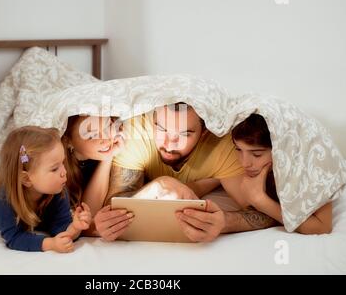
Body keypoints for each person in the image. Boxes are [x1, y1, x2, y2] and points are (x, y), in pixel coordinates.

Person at [94, 103, 278, 242]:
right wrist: (161, 184)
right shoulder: (136, 131)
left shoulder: (222, 144)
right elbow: (117, 202)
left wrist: (225, 222)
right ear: (152, 120)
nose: (169, 143)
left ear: (204, 132)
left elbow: (265, 213)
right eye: (161, 129)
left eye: (184, 134)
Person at [0, 126, 92, 252]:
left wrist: (75, 227)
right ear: (26, 179)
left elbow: (60, 228)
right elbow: (14, 237)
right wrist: (50, 244)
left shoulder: (58, 190)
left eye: (62, 163)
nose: (64, 172)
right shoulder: (4, 198)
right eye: (55, 168)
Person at [231, 113, 332, 234]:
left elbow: (322, 227)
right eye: (238, 149)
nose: (244, 163)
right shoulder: (253, 166)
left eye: (257, 154)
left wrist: (260, 200)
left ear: (282, 149)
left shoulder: (313, 166)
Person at [61, 115, 126, 234]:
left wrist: (108, 157)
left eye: (107, 127)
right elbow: (89, 215)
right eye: (93, 135)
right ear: (68, 141)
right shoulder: (61, 171)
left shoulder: (113, 151)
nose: (106, 139)